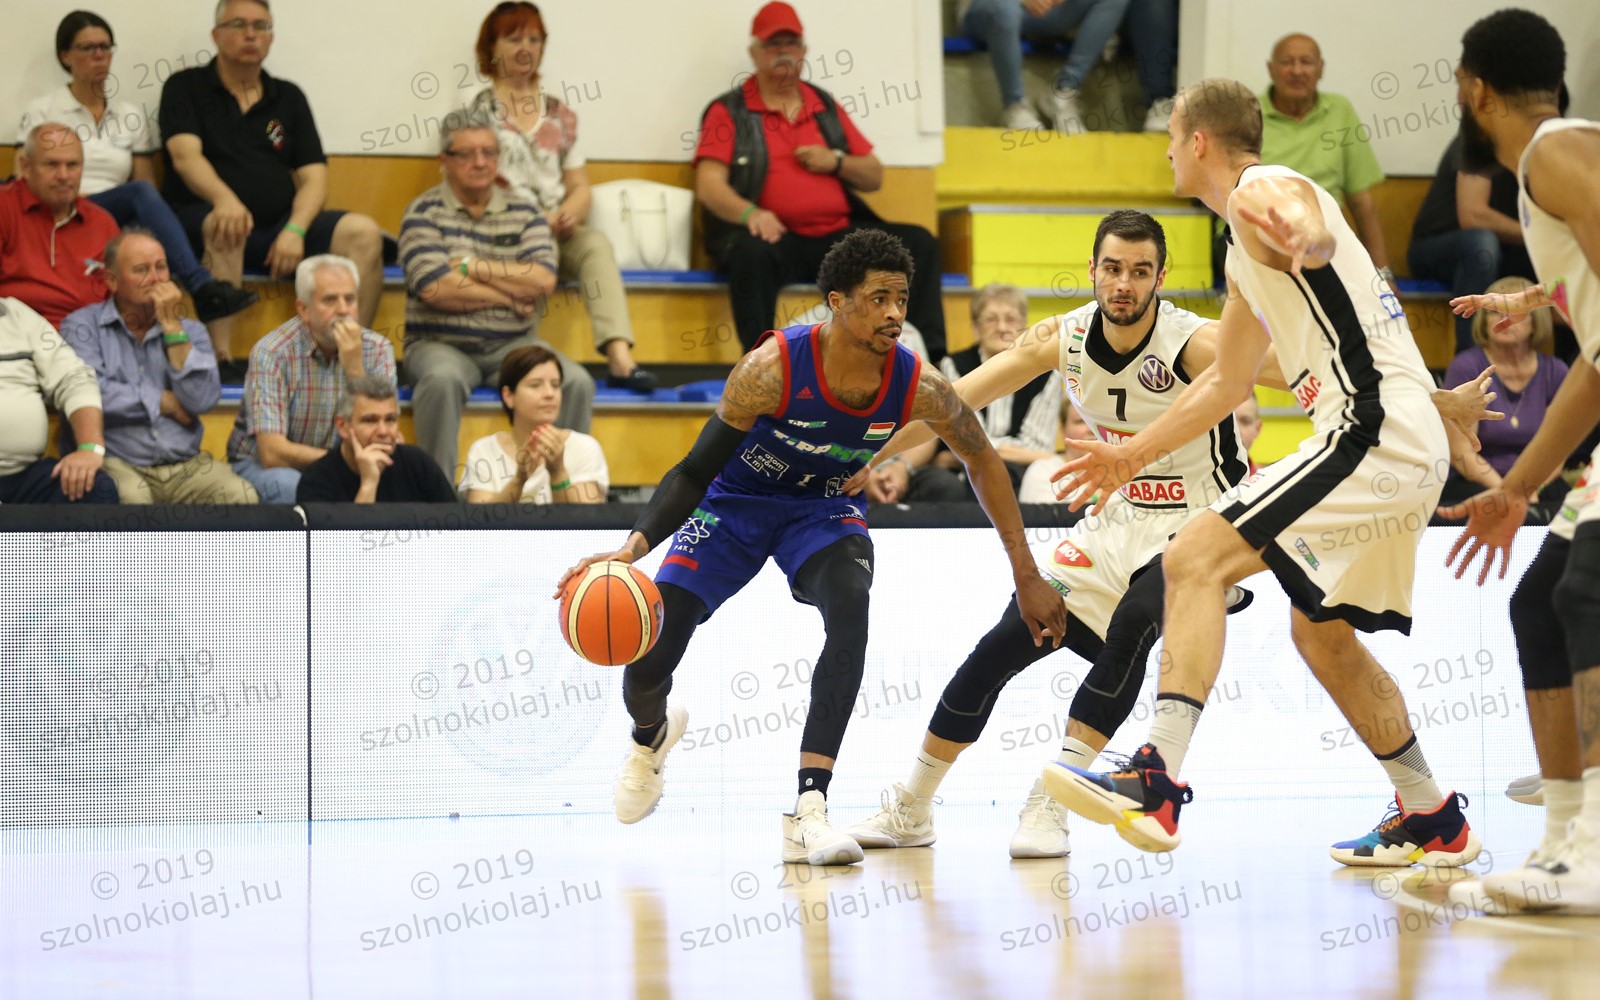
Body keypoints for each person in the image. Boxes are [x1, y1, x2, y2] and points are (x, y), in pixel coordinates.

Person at [842, 210, 1486, 858]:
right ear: (1092, 271)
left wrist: (1437, 402)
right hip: (1117, 519)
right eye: (1113, 268)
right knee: (1003, 644)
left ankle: (1051, 805)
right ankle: (913, 806)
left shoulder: (1194, 341)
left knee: (1132, 629)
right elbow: (950, 404)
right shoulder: (1061, 337)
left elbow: (1313, 371)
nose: (1124, 283)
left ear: (1160, 277)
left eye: (1139, 271)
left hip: (1199, 521)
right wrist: (863, 455)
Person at [1045, 79, 1481, 871]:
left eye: (1171, 137)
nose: (1167, 151)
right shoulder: (1240, 247)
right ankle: (1431, 813)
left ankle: (1156, 777)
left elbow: (1297, 211)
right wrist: (1129, 456)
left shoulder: (1262, 191)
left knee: (1192, 555)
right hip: (1399, 442)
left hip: (1371, 431)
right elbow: (1227, 382)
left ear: (1198, 141)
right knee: (1322, 635)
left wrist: (1305, 230)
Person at [552, 229, 1067, 866]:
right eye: (878, 299)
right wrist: (632, 550)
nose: (894, 314)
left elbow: (983, 461)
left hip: (822, 508)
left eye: (902, 299)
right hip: (735, 503)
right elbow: (693, 470)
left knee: (851, 605)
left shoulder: (919, 384)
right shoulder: (770, 370)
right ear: (836, 302)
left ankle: (810, 806)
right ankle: (649, 737)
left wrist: (1026, 572)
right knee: (653, 653)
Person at [1443, 8, 1600, 916]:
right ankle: (1566, 840)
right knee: (1543, 600)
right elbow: (1595, 368)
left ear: (1475, 89)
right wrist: (1517, 486)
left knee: (1588, 594)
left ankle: (1596, 845)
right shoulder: (1557, 167)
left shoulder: (1550, 152)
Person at [694, 2, 947, 358]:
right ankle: (759, 362)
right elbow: (709, 186)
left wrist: (836, 161)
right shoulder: (729, 110)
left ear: (804, 50)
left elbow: (873, 175)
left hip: (837, 241)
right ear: (754, 53)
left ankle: (931, 359)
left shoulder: (822, 105)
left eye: (791, 43)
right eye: (773, 43)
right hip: (777, 239)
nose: (783, 51)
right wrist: (751, 214)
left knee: (919, 243)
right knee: (751, 254)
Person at [158, 0, 385, 372]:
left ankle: (350, 354)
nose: (251, 34)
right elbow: (185, 158)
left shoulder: (288, 98)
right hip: (204, 223)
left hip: (278, 229)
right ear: (216, 35)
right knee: (227, 221)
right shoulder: (186, 87)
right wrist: (225, 200)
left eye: (261, 26)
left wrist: (296, 229)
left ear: (271, 37)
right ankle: (221, 359)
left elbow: (315, 177)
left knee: (362, 232)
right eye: (239, 25)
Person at [20, 11, 257, 326]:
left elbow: (147, 186)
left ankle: (170, 331)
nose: (99, 56)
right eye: (88, 48)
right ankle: (202, 288)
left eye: (105, 47)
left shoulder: (128, 114)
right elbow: (25, 179)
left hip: (113, 209)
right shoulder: (44, 110)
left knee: (143, 217)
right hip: (65, 204)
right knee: (138, 196)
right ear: (66, 56)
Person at [465, 1, 654, 391]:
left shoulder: (558, 111)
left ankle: (620, 358)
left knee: (594, 244)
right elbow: (466, 179)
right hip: (501, 227)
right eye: (514, 39)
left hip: (555, 224)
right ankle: (523, 367)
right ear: (491, 47)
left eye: (534, 40)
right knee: (538, 250)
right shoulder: (476, 107)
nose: (526, 48)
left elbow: (579, 185)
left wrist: (569, 211)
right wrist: (535, 223)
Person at [400, 110, 592, 483]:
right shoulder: (422, 212)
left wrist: (470, 267)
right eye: (467, 154)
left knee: (576, 382)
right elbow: (435, 287)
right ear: (444, 160)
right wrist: (509, 296)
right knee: (441, 381)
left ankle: (564, 488)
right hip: (440, 344)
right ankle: (436, 496)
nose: (480, 162)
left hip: (514, 344)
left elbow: (542, 280)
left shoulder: (525, 211)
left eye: (489, 152)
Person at [59, 229, 256, 503]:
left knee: (241, 496)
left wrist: (173, 328)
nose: (155, 278)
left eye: (161, 267)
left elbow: (202, 399)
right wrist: (163, 402)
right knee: (132, 498)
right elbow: (89, 393)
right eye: (142, 270)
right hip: (117, 462)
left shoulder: (192, 331)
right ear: (112, 281)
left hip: (186, 464)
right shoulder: (82, 327)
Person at [227, 255, 396, 503]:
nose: (343, 310)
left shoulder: (378, 349)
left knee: (395, 479)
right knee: (292, 487)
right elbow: (272, 453)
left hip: (345, 464)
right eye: (330, 300)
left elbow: (384, 434)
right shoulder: (272, 353)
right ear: (303, 309)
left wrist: (355, 371)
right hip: (266, 466)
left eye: (350, 299)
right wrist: (342, 462)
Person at [1258, 34, 1395, 290]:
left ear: (1321, 69)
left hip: (1323, 235)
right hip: (1259, 229)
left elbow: (1361, 202)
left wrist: (1383, 273)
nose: (1297, 71)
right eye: (1287, 62)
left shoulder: (1340, 110)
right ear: (1271, 69)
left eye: (1306, 62)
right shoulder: (1250, 113)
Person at [1409, 135, 1535, 353]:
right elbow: (1472, 216)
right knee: (1481, 245)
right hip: (1436, 250)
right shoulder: (1477, 139)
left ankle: (1572, 359)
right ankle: (1470, 360)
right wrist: (1536, 235)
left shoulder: (1548, 146)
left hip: (1504, 250)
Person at [1443, 276, 1566, 490]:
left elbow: (1559, 450)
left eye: (1512, 310)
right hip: (1478, 483)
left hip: (1539, 485)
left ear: (1536, 322)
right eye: (1494, 311)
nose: (1503, 317)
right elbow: (1461, 453)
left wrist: (1529, 491)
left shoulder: (1555, 371)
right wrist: (1505, 493)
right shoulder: (1466, 368)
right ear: (1483, 322)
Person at [0, 124, 120, 327]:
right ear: (25, 166)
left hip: (88, 337)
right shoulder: (4, 208)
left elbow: (123, 300)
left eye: (72, 165)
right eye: (51, 165)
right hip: (15, 334)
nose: (64, 175)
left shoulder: (102, 223)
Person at [0, 296, 116, 504]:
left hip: (23, 475)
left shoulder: (18, 315)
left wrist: (90, 449)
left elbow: (74, 378)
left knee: (96, 488)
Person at [459, 344, 608, 504]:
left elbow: (587, 517)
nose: (549, 394)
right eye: (535, 385)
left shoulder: (584, 447)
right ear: (508, 396)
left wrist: (558, 473)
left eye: (555, 385)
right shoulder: (484, 450)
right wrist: (518, 480)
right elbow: (480, 518)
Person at [957, 0, 1131, 132]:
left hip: (1042, 11)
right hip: (986, 8)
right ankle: (1015, 106)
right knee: (1005, 9)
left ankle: (1064, 92)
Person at [295, 375, 455, 504]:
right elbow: (353, 537)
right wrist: (369, 483)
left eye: (390, 419)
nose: (383, 431)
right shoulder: (317, 479)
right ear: (343, 426)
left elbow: (457, 529)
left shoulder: (419, 465)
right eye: (370, 420)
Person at [1016, 402, 1091, 503]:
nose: (1092, 429)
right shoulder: (1042, 471)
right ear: (1063, 430)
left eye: (1099, 422)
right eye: (1081, 421)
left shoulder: (1113, 473)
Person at [1234, 394, 1262, 474]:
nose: (1236, 431)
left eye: (1245, 421)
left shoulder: (1270, 479)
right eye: (1226, 422)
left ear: (1258, 428)